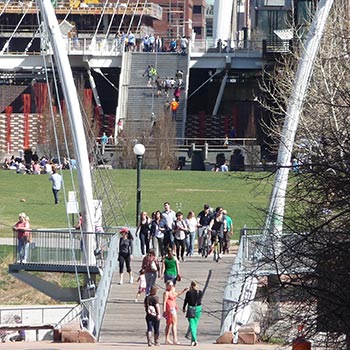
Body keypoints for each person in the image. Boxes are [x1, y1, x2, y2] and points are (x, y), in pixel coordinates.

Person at [163, 280, 188, 345]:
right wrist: (164, 311)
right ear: (167, 285)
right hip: (170, 309)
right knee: (171, 323)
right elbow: (164, 302)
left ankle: (169, 339)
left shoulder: (173, 291)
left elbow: (177, 294)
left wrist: (183, 291)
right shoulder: (166, 293)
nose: (171, 286)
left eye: (172, 285)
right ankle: (172, 339)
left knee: (172, 324)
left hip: (173, 307)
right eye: (170, 285)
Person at [183, 281, 203, 346]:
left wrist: (184, 307)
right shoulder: (200, 292)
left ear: (191, 285)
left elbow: (186, 300)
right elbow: (199, 300)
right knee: (195, 325)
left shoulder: (188, 293)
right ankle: (192, 341)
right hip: (198, 308)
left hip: (191, 308)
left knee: (192, 325)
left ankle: (194, 339)